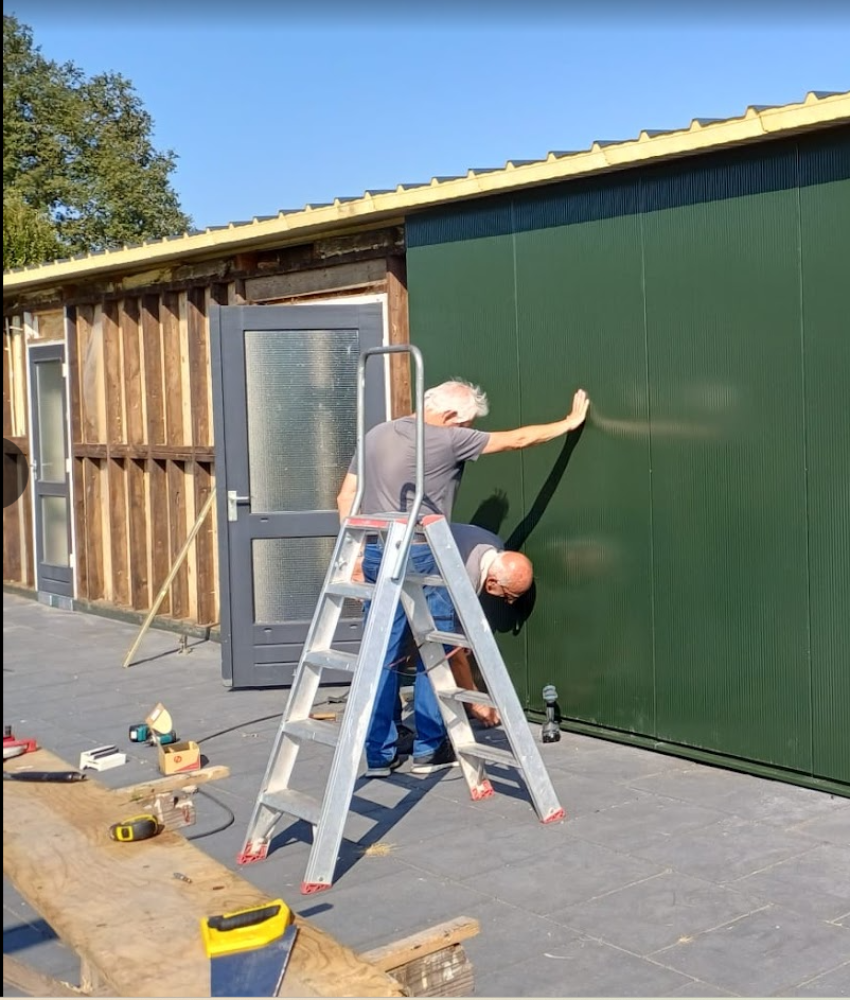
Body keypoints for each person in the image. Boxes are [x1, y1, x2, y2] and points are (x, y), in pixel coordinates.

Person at [337, 377, 590, 777]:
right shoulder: (447, 439)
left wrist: (352, 554)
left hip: (376, 549)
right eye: (467, 423)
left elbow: (345, 497)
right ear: (451, 415)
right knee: (435, 647)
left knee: (380, 654)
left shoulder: (375, 435)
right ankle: (430, 748)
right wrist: (568, 423)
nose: (468, 431)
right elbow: (518, 440)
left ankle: (379, 754)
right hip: (423, 551)